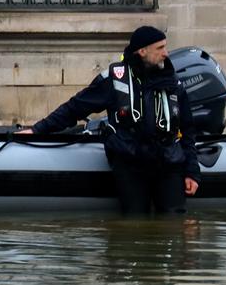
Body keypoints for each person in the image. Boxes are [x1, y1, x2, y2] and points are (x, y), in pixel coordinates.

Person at [16, 25, 201, 215]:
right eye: (160, 48)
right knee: (135, 222)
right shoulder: (114, 79)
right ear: (142, 51)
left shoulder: (173, 82)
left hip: (168, 162)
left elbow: (187, 129)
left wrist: (192, 171)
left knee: (174, 222)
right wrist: (38, 130)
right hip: (130, 162)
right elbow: (75, 108)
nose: (166, 53)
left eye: (165, 47)